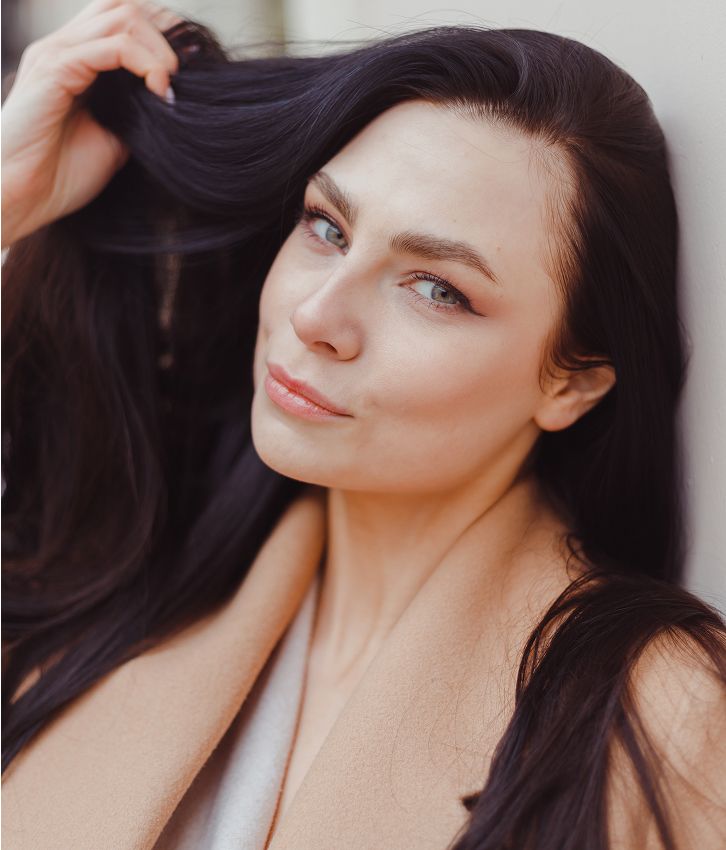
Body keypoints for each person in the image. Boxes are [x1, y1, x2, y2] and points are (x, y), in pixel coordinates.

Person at [2, 1, 725, 848]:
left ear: (570, 383)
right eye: (326, 226)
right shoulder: (129, 559)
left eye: (436, 288)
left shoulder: (664, 717)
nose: (317, 315)